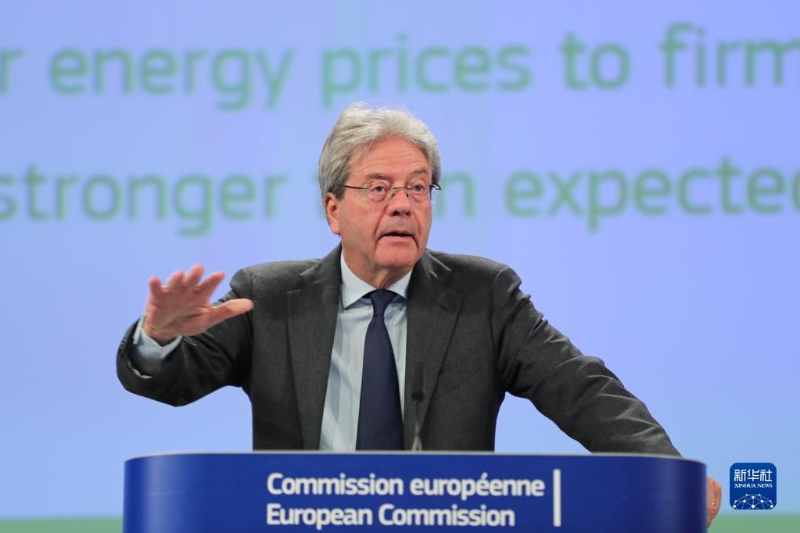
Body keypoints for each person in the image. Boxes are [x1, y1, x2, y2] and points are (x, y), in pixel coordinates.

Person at [117, 102, 721, 526]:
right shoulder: (270, 297)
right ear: (333, 209)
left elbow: (580, 387)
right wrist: (158, 337)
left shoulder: (484, 295)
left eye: (418, 187)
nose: (403, 205)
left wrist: (668, 475)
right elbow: (174, 381)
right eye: (379, 188)